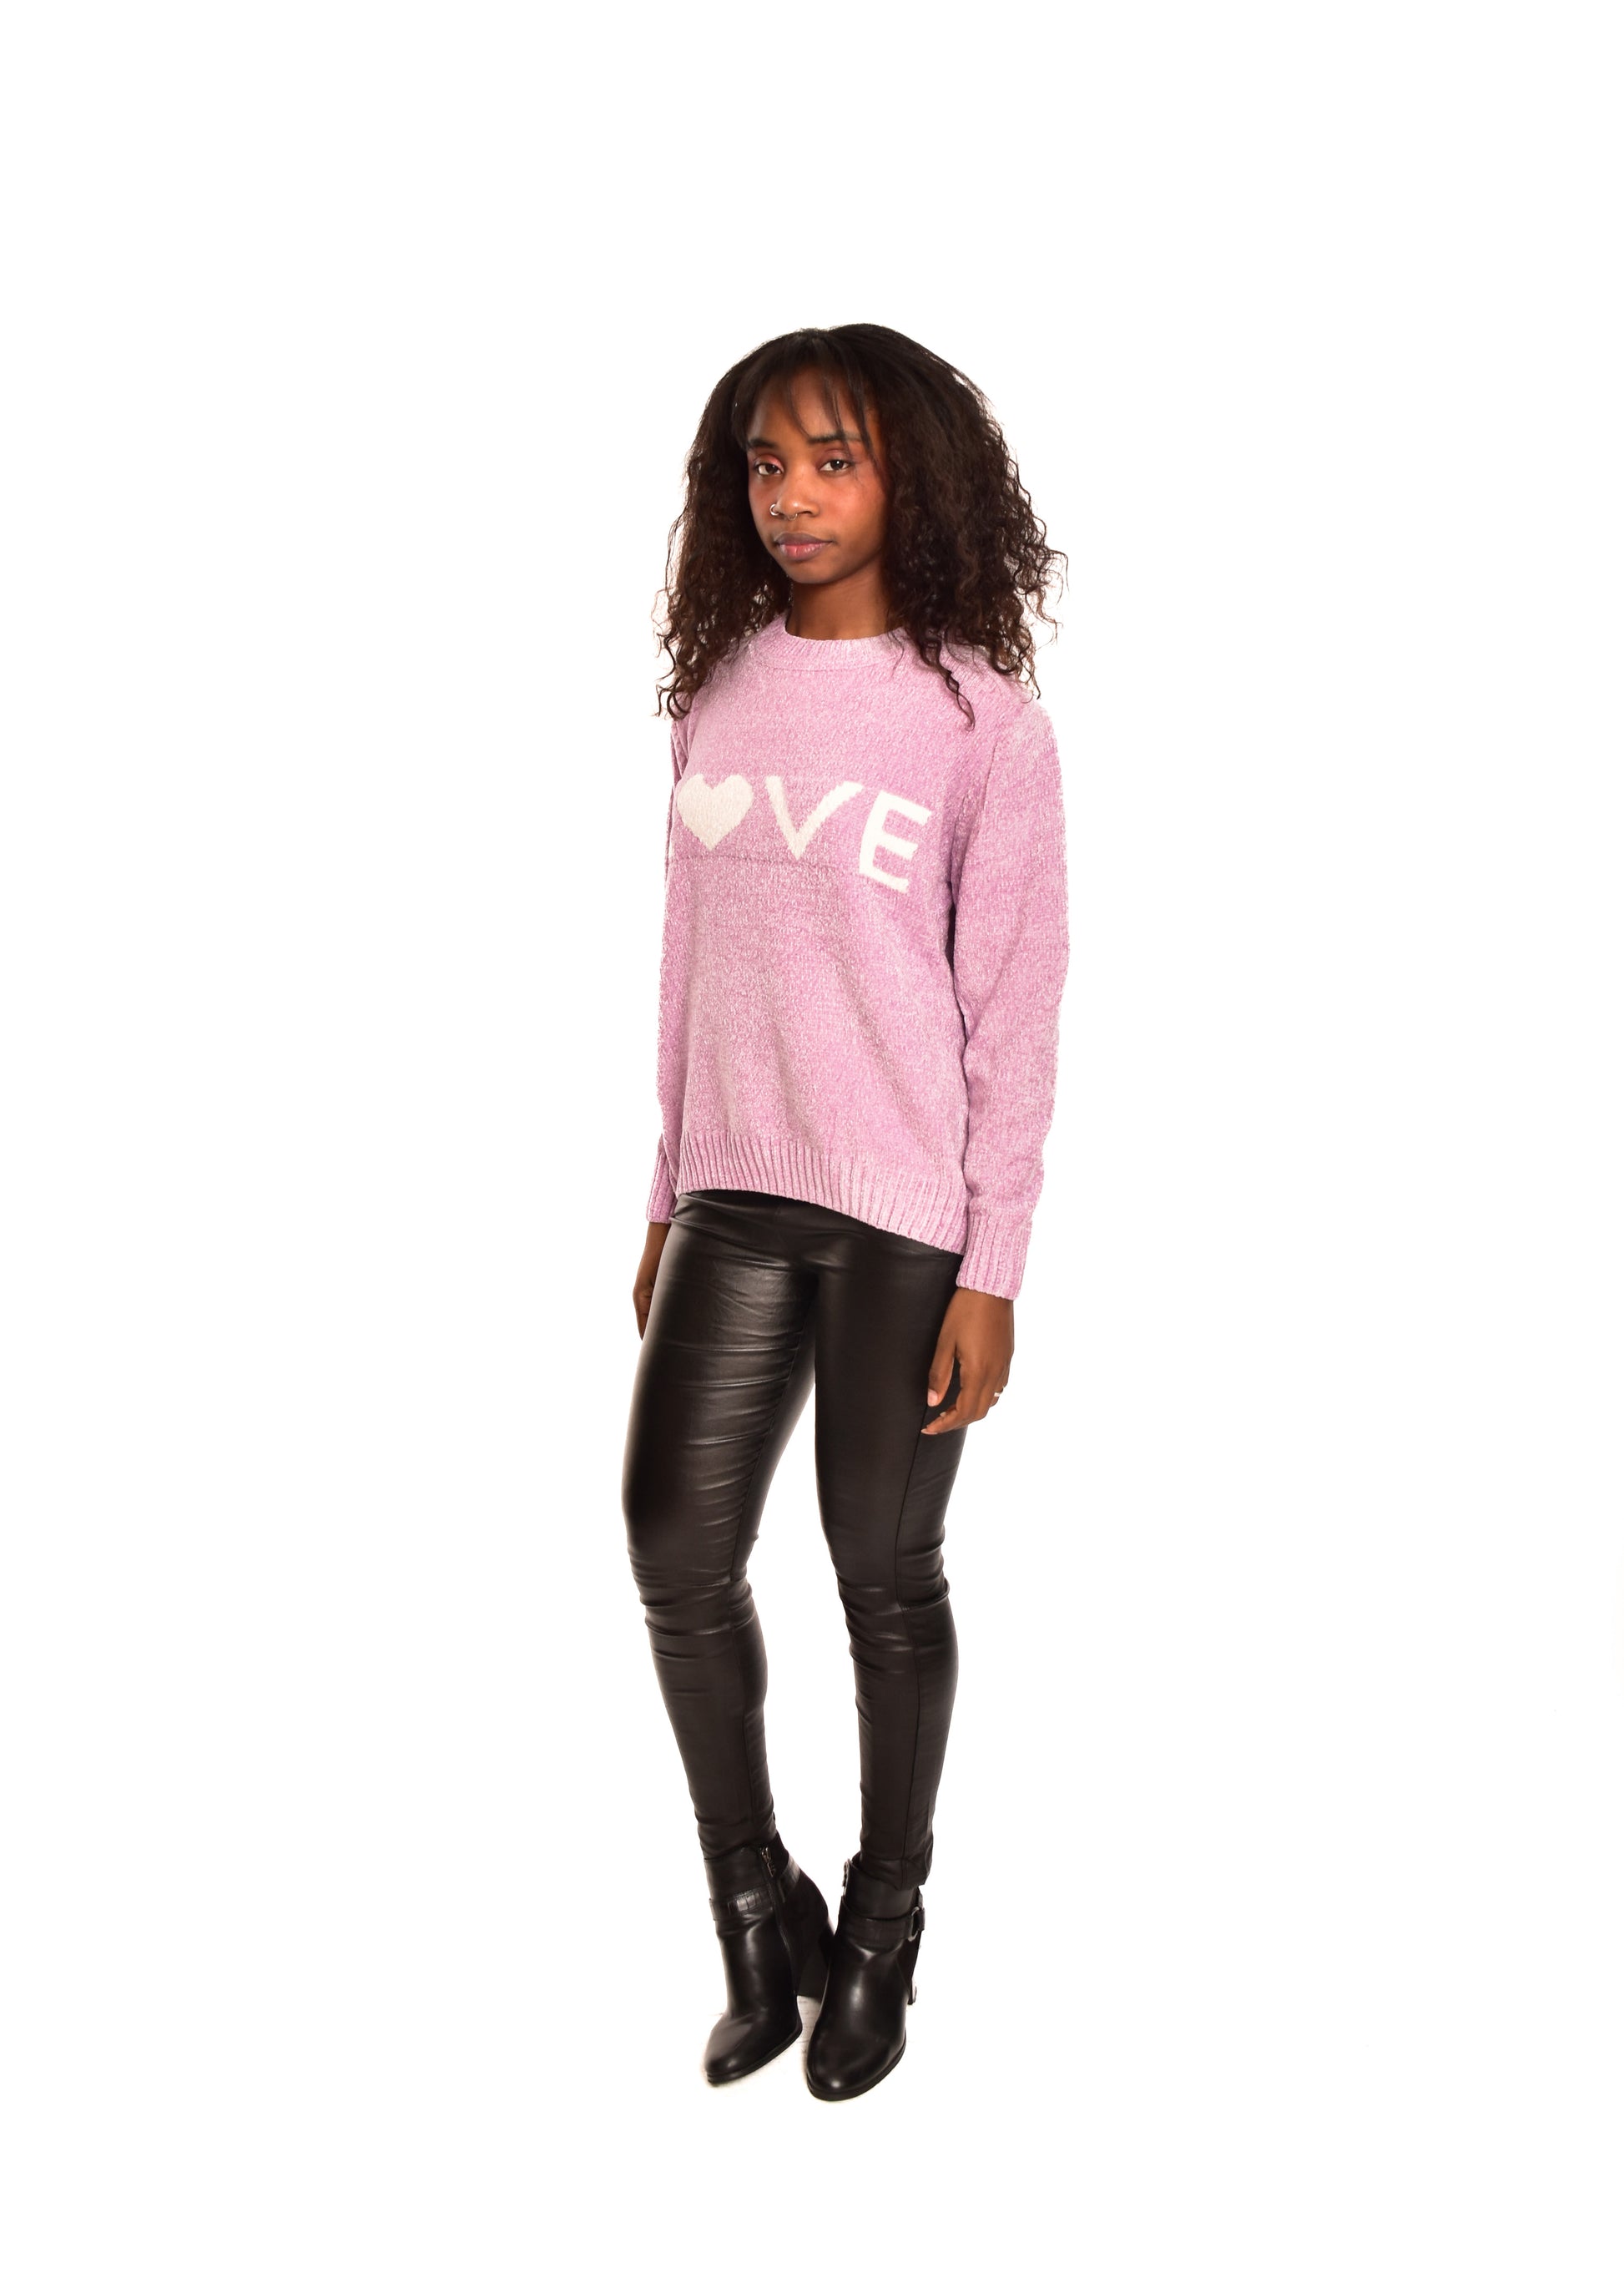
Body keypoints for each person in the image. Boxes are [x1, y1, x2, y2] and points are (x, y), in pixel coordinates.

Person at [621, 324, 1070, 2100]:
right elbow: (688, 968)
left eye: (832, 459)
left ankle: (883, 1928)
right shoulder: (717, 697)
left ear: (913, 479)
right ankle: (759, 1916)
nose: (791, 497)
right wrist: (665, 1190)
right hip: (735, 1195)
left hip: (903, 1218)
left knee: (881, 1576)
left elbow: (1013, 1007)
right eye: (763, 463)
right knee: (675, 1546)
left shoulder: (981, 724)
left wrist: (993, 1262)